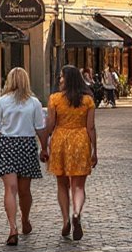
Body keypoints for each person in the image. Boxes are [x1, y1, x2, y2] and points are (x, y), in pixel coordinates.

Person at [0, 68, 46, 246]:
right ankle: (25, 220)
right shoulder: (34, 103)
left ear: (9, 81)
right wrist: (44, 148)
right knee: (24, 190)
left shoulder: (3, 101)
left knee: (10, 189)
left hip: (7, 145)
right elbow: (40, 128)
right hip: (26, 145)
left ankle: (12, 228)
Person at [42, 65, 97, 241]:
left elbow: (50, 124)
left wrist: (44, 145)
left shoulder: (55, 99)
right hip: (81, 140)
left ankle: (65, 220)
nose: (59, 80)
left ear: (68, 79)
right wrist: (95, 150)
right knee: (79, 185)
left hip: (60, 140)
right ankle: (76, 212)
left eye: (61, 77)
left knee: (62, 184)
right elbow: (91, 127)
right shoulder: (88, 100)